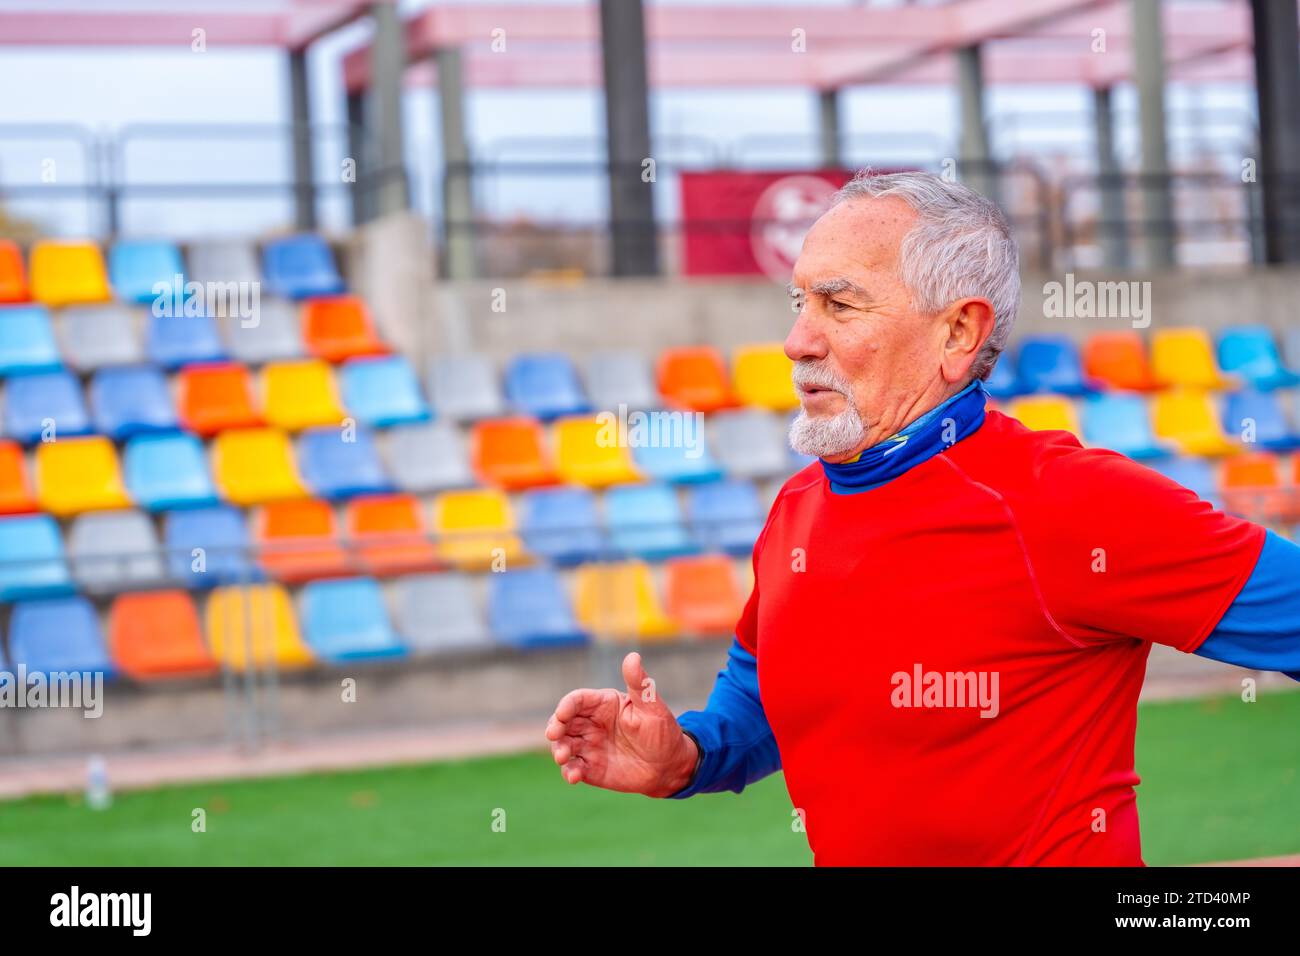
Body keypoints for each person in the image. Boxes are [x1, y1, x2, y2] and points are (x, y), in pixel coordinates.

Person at [545, 170, 1300, 865]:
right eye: (799, 303)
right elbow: (760, 702)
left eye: (838, 305)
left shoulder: (1067, 502)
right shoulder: (798, 509)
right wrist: (686, 755)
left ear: (958, 334)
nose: (797, 341)